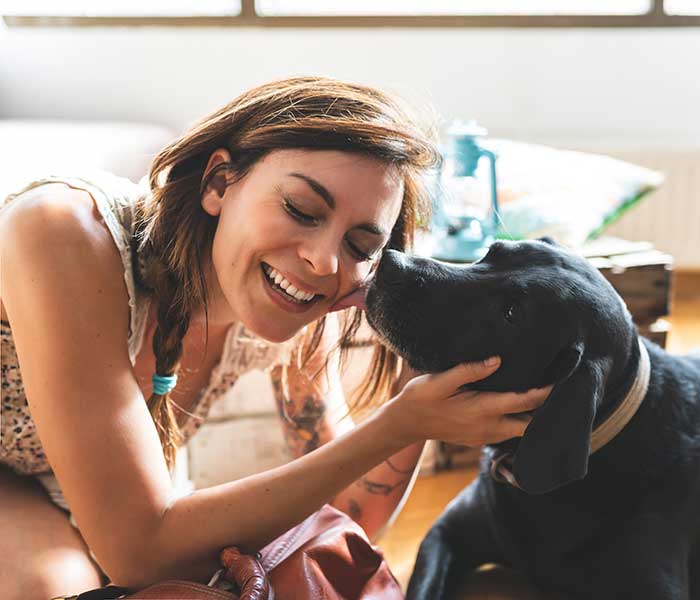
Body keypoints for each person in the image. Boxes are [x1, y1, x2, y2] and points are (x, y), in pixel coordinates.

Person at [0, 76, 549, 598]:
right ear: (220, 183)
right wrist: (397, 426)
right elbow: (138, 550)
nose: (322, 260)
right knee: (53, 587)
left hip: (52, 484)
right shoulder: (61, 230)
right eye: (301, 210)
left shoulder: (306, 294)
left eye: (360, 246)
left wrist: (420, 382)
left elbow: (347, 518)